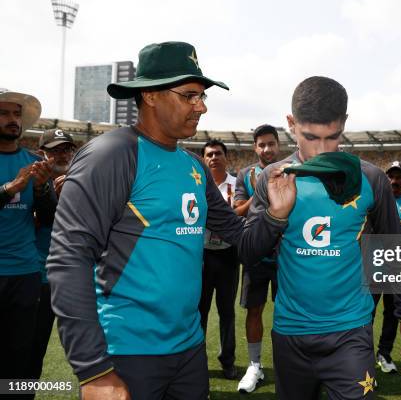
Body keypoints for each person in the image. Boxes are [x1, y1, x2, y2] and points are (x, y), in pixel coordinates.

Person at [46, 41, 247, 400]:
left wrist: (277, 216)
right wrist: (94, 371)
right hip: (127, 351)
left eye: (202, 96)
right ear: (151, 95)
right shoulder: (111, 154)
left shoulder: (193, 164)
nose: (201, 106)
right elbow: (69, 258)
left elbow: (237, 233)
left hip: (188, 348)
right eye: (189, 95)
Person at [240, 76, 401, 400]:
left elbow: (394, 250)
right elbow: (249, 251)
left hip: (350, 331)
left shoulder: (371, 178)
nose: (322, 150)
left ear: (345, 124)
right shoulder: (274, 177)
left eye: (332, 136)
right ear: (291, 125)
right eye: (311, 137)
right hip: (291, 333)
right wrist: (275, 216)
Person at [0, 89, 56, 382]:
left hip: (25, 273)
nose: (13, 120)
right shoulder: (24, 170)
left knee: (22, 357)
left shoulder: (33, 161)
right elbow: (11, 191)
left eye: (17, 114)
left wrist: (42, 189)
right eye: (5, 113)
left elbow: (49, 219)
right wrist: (12, 187)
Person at [234, 124, 280, 393]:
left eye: (270, 143)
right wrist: (260, 193)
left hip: (287, 254)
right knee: (254, 309)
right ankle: (255, 365)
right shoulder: (244, 175)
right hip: (255, 253)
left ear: (278, 144)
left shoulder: (292, 170)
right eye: (261, 144)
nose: (266, 149)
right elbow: (237, 211)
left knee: (289, 309)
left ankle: (289, 363)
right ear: (255, 148)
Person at [28, 128, 77, 380]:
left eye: (67, 149)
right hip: (34, 277)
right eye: (55, 150)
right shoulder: (29, 181)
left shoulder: (82, 183)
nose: (63, 155)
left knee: (38, 352)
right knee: (24, 351)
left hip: (70, 279)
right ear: (41, 154)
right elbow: (42, 219)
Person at [199, 139, 240, 380]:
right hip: (202, 254)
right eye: (209, 155)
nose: (213, 157)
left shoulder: (236, 184)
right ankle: (197, 360)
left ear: (226, 157)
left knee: (227, 311)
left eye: (217, 153)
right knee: (200, 311)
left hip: (227, 254)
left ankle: (228, 361)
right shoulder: (198, 184)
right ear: (204, 160)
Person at [371, 161, 401, 374]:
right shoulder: (374, 201)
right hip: (374, 265)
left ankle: (384, 353)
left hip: (397, 267)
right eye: (391, 176)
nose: (394, 181)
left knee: (392, 313)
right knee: (366, 312)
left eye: (398, 177)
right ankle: (362, 355)